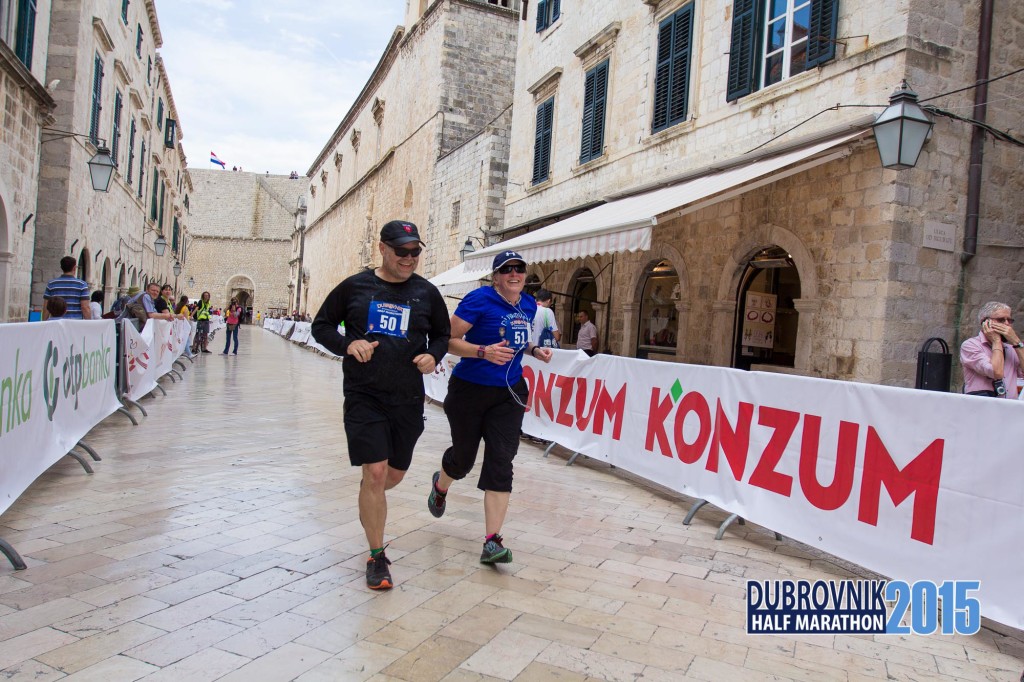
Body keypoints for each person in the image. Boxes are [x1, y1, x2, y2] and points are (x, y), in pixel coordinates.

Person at [311, 220, 450, 590]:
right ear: (383, 249)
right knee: (375, 472)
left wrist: (433, 355)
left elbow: (442, 334)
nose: (409, 257)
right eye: (401, 250)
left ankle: (368, 496)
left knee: (393, 476)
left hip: (407, 399)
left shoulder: (426, 293)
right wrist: (347, 344)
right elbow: (321, 326)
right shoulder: (354, 287)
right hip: (364, 395)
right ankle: (377, 557)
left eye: (415, 251)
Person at [427, 250, 553, 565]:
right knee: (463, 460)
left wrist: (535, 350)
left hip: (509, 394)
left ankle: (492, 542)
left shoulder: (528, 304)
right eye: (507, 270)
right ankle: (441, 484)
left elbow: (518, 340)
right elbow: (448, 340)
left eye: (519, 269)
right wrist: (483, 352)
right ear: (495, 277)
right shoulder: (478, 300)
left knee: (501, 462)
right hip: (469, 391)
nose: (514, 274)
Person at [960, 301, 1024, 398]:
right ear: (985, 323)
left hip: (1009, 405)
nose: (1007, 324)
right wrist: (996, 341)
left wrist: (1016, 342)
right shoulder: (970, 345)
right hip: (983, 404)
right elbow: (996, 372)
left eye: (1009, 320)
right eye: (1001, 320)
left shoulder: (1011, 349)